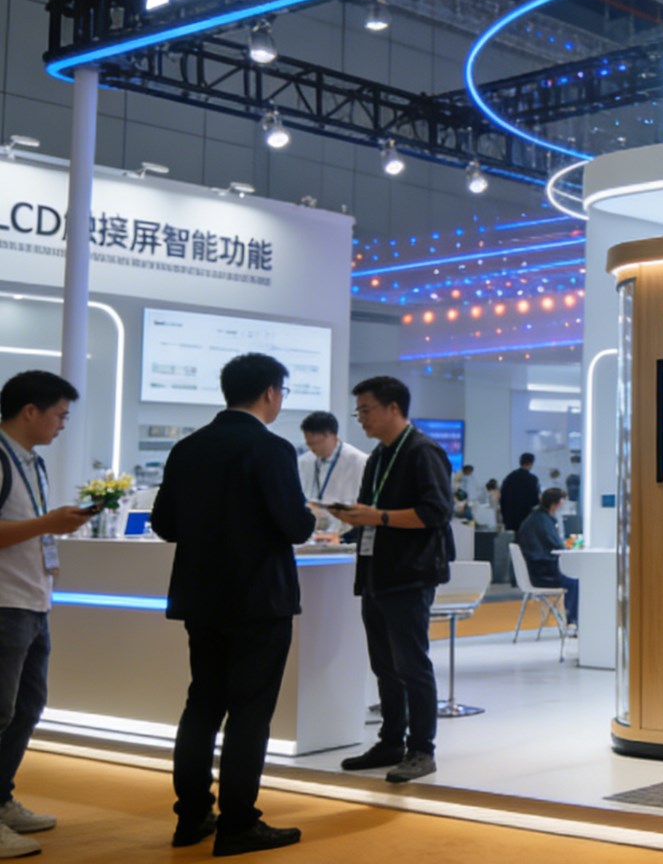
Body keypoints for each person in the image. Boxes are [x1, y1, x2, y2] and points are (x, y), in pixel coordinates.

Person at [153, 354, 316, 856]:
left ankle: (191, 817)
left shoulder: (187, 447)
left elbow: (164, 524)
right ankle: (238, 823)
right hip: (260, 599)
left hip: (200, 597)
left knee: (202, 704)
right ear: (270, 392)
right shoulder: (272, 449)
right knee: (250, 712)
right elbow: (296, 526)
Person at [334, 377, 454, 784]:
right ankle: (390, 742)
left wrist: (377, 516)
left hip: (410, 574)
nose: (361, 418)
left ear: (393, 408)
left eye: (366, 410)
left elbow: (436, 513)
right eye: (359, 412)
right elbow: (372, 513)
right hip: (376, 572)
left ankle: (422, 749)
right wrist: (351, 520)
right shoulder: (378, 457)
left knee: (411, 665)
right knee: (384, 665)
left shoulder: (422, 451)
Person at [0, 372, 92, 858]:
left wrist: (51, 526)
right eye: (59, 415)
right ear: (30, 411)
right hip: (4, 602)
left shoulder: (32, 462)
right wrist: (46, 523)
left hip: (33, 600)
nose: (62, 424)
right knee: (1, 711)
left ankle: (2, 798)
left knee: (26, 708)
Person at [298, 410, 368, 540]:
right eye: (309, 444)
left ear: (331, 436)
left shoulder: (359, 461)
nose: (313, 448)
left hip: (345, 535)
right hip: (312, 533)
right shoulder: (304, 461)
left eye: (316, 443)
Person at [516, 487, 579, 627]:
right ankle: (573, 621)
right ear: (554, 505)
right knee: (575, 582)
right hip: (543, 573)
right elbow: (556, 545)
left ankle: (573, 620)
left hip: (537, 569)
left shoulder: (536, 519)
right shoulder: (543, 522)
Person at [498, 453, 540, 532]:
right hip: (527, 519)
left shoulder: (509, 478)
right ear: (531, 463)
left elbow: (502, 499)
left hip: (510, 518)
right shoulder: (532, 479)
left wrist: (504, 517)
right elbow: (535, 501)